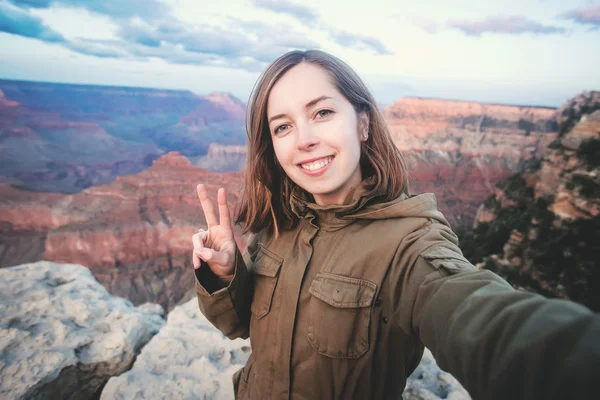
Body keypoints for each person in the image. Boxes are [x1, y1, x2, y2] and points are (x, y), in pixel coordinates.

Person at [190, 50, 599, 400]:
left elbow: (474, 314)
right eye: (283, 126)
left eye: (323, 112)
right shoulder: (280, 222)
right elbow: (241, 323)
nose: (304, 139)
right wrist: (225, 274)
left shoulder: (410, 241)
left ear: (363, 123)